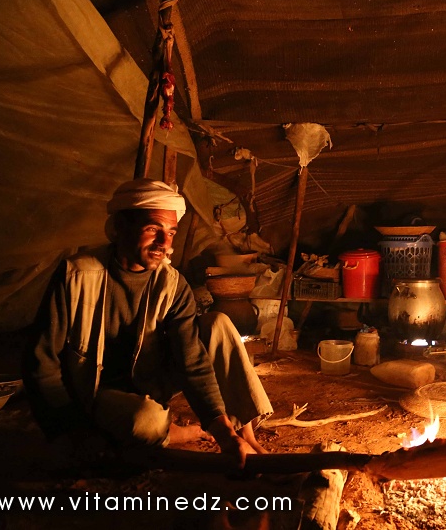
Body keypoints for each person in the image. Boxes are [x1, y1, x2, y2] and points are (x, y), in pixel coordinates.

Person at [23, 178, 272, 468]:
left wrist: (226, 436)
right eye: (153, 229)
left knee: (217, 323)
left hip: (149, 378)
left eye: (171, 232)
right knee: (145, 420)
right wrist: (68, 432)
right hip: (95, 390)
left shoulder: (171, 283)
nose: (165, 244)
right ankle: (166, 432)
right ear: (119, 228)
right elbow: (41, 360)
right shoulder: (77, 275)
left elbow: (192, 362)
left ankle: (246, 438)